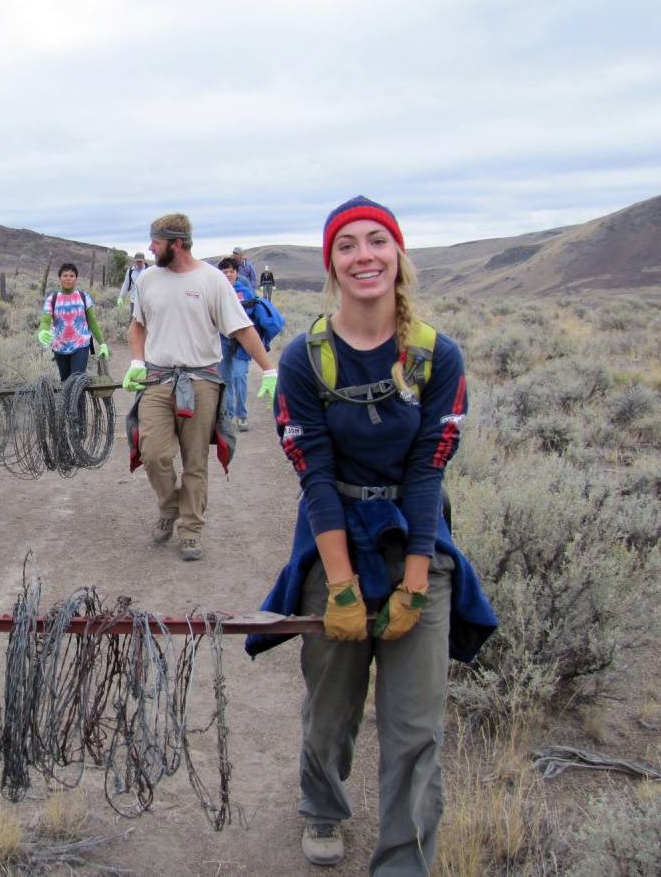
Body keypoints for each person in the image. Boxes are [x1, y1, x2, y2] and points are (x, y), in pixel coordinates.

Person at [246, 197, 496, 873]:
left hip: (416, 542)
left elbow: (427, 473)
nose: (365, 255)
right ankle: (323, 809)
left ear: (398, 254)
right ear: (331, 263)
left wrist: (416, 582)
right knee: (330, 709)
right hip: (334, 540)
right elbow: (316, 476)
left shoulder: (437, 357)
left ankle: (403, 863)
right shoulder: (304, 359)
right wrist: (343, 586)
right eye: (348, 244)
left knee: (415, 731)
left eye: (377, 241)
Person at [122, 214, 277, 562]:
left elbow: (241, 328)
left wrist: (269, 369)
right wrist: (136, 360)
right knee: (153, 453)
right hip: (158, 379)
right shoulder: (147, 280)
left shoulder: (212, 281)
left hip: (202, 381)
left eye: (156, 242)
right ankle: (170, 506)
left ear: (176, 244)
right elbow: (137, 327)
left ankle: (190, 530)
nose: (150, 247)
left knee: (195, 461)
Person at [37, 262, 109, 381]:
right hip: (60, 347)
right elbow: (46, 319)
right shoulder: (52, 299)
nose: (68, 278)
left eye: (72, 276)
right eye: (65, 275)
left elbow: (92, 322)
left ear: (76, 278)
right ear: (60, 278)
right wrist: (42, 331)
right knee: (65, 383)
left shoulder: (84, 297)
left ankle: (79, 400)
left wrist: (102, 344)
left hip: (81, 345)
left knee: (77, 383)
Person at [216, 256, 255, 432]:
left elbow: (254, 311)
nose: (228, 274)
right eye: (225, 272)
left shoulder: (245, 291)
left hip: (241, 343)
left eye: (231, 271)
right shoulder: (216, 291)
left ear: (237, 273)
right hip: (222, 341)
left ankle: (242, 415)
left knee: (240, 376)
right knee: (225, 379)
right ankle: (228, 414)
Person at [117, 251, 148, 317]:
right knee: (133, 321)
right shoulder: (131, 271)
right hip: (134, 301)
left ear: (144, 261)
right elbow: (126, 284)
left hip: (146, 302)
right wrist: (121, 297)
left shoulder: (148, 271)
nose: (139, 263)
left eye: (140, 261)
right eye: (137, 261)